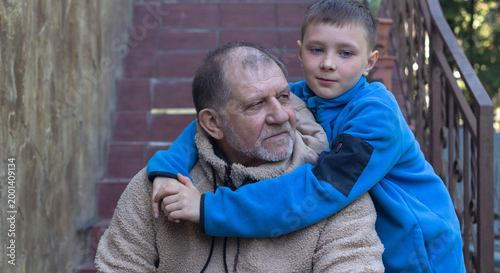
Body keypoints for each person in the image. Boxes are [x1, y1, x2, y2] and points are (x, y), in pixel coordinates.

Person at [146, 0, 466, 272]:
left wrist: (208, 208)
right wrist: (167, 168)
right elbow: (216, 121)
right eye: (317, 49)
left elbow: (318, 190)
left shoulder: (377, 119)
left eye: (345, 53)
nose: (327, 64)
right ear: (299, 51)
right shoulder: (295, 98)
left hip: (420, 256)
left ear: (370, 62)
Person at [95, 41, 385, 272]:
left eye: (284, 97)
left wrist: (209, 209)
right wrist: (165, 168)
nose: (281, 115)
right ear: (213, 124)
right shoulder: (159, 189)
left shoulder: (336, 195)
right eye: (256, 104)